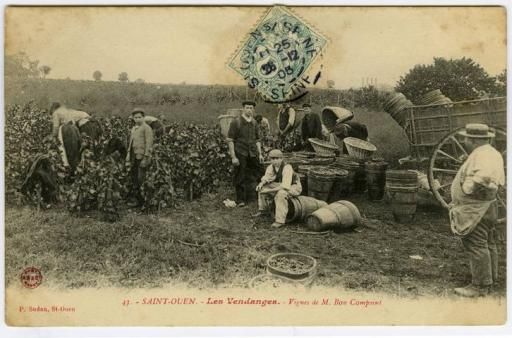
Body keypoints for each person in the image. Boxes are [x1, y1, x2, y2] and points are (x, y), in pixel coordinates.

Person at [449, 123, 505, 297]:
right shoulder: (491, 152)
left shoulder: (483, 155)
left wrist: (466, 190)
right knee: (488, 243)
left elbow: (483, 177)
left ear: (474, 140)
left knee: (476, 244)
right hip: (487, 206)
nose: (464, 141)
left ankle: (480, 286)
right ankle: (490, 278)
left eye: (466, 138)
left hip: (477, 208)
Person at [226, 101, 264, 207]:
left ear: (253, 110)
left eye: (251, 108)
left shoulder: (255, 123)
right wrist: (233, 157)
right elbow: (230, 140)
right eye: (247, 107)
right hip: (240, 152)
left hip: (253, 152)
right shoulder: (236, 122)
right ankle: (241, 200)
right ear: (243, 109)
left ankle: (259, 196)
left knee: (260, 172)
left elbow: (257, 140)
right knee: (240, 175)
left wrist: (260, 154)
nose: (249, 110)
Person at [253, 149, 302, 228]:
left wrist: (269, 191)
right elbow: (266, 177)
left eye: (277, 158)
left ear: (281, 159)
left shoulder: (287, 167)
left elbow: (285, 186)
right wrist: (260, 184)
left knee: (281, 194)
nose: (275, 161)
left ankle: (280, 220)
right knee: (262, 188)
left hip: (294, 186)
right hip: (281, 185)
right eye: (272, 159)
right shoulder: (271, 167)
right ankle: (263, 210)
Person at [126, 108, 154, 207]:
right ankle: (137, 200)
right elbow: (131, 143)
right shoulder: (134, 128)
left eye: (139, 117)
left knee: (141, 178)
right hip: (134, 156)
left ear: (143, 117)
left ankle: (144, 201)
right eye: (135, 117)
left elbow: (149, 143)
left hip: (142, 156)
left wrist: (146, 157)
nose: (137, 119)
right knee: (134, 178)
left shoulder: (146, 128)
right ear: (133, 118)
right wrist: (128, 154)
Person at [49, 102, 91, 170]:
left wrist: (52, 137)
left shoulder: (56, 113)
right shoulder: (65, 110)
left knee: (67, 150)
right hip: (74, 128)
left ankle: (69, 168)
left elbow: (56, 127)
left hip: (66, 129)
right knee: (76, 148)